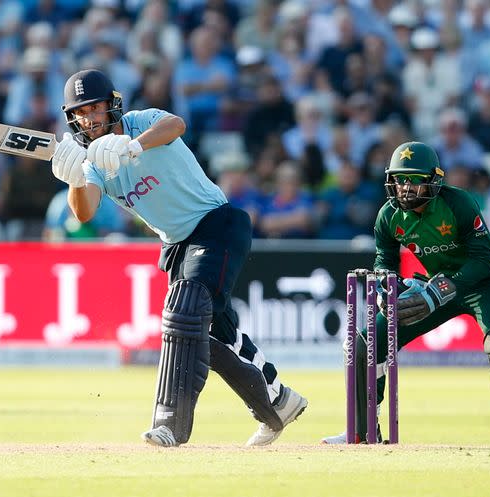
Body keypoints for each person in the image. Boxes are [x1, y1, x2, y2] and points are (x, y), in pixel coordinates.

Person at [51, 69, 307, 447]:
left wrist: (133, 146)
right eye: (81, 112)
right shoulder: (94, 162)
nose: (89, 118)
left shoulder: (142, 121)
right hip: (177, 246)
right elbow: (85, 211)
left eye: (96, 108)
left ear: (113, 105)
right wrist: (74, 177)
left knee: (184, 311)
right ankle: (277, 403)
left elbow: (176, 124)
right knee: (207, 335)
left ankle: (170, 422)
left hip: (216, 225)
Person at [321, 142, 490, 447]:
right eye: (399, 179)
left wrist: (441, 291)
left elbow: (483, 259)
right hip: (432, 285)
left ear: (433, 181)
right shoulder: (388, 216)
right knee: (367, 340)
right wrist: (388, 289)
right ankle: (362, 428)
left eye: (413, 179)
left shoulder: (459, 203)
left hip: (483, 283)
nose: (405, 188)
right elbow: (385, 261)